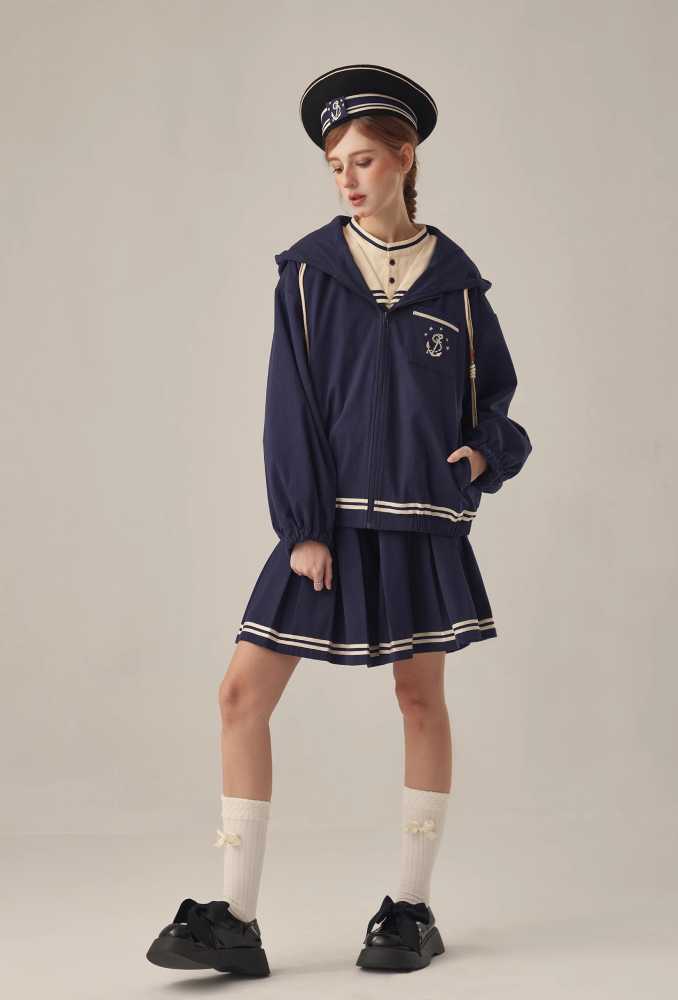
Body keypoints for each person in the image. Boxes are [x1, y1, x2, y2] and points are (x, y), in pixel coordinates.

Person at [146, 62, 532, 978]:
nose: (348, 179)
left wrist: (483, 455)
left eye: (362, 160)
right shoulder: (308, 276)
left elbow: (498, 405)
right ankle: (236, 917)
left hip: (422, 525)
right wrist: (305, 527)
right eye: (334, 166)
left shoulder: (460, 289)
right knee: (241, 696)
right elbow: (290, 410)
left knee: (420, 700)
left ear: (405, 157)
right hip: (330, 523)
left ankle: (411, 908)